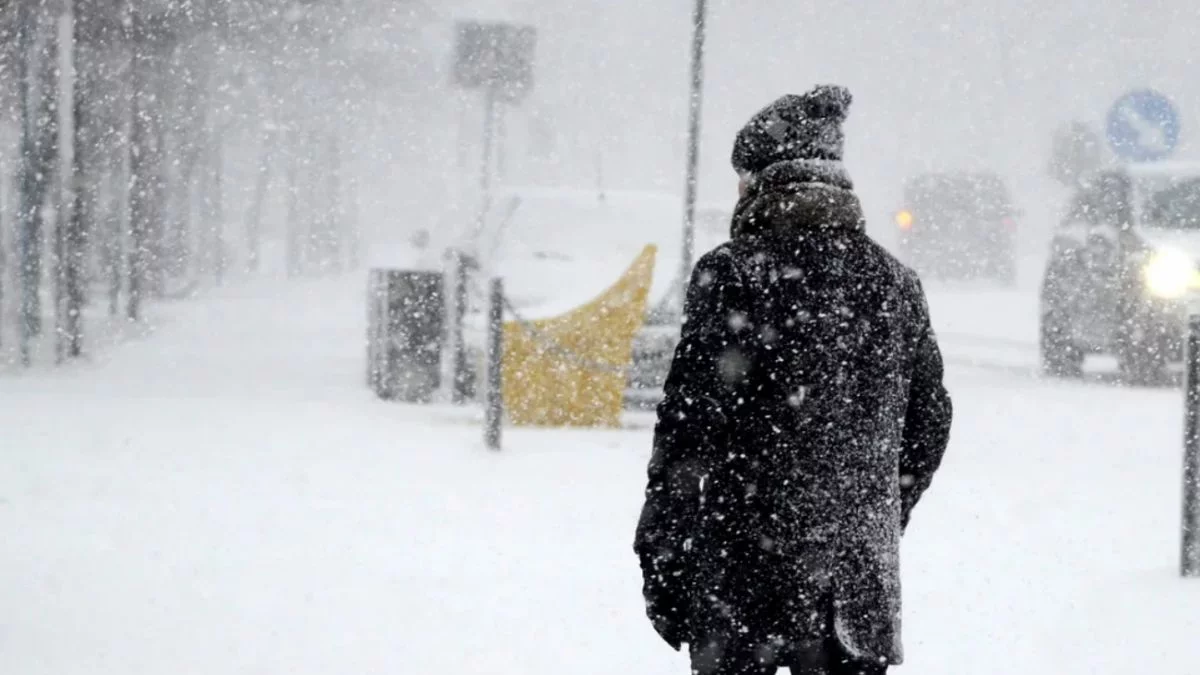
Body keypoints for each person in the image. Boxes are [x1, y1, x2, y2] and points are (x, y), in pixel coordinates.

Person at [633, 85, 952, 675]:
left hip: (741, 575)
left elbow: (688, 429)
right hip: (854, 597)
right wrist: (871, 516)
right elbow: (929, 428)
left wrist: (665, 551)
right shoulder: (896, 284)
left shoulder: (732, 274)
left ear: (760, 182)